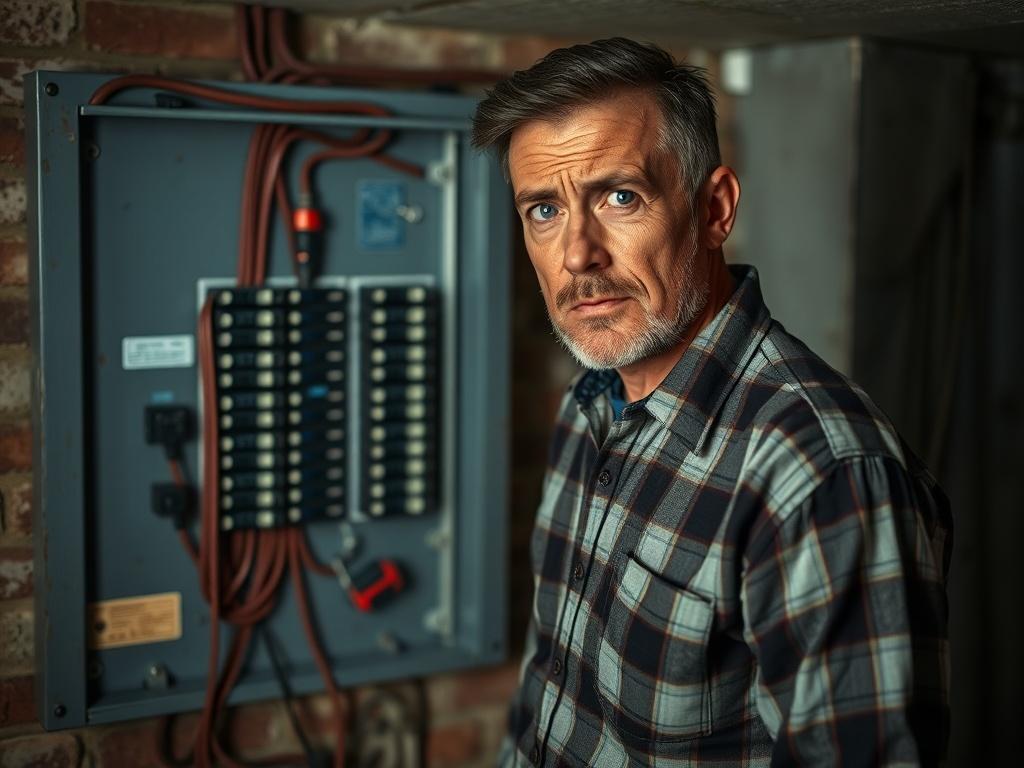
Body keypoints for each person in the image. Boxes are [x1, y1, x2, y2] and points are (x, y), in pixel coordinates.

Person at [472, 38, 951, 767]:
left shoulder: (822, 477)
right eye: (543, 210)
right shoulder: (589, 405)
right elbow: (552, 695)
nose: (576, 255)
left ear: (715, 209)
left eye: (619, 196)